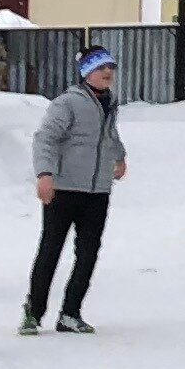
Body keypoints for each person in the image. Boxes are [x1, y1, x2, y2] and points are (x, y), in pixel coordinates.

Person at [26, 44, 128, 333]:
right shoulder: (67, 103)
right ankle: (33, 312)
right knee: (51, 249)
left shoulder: (110, 102)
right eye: (100, 67)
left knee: (88, 252)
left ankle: (70, 312)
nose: (107, 72)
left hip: (97, 190)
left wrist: (119, 156)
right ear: (86, 73)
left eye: (110, 67)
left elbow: (108, 134)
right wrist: (45, 174)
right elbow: (45, 138)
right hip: (64, 188)